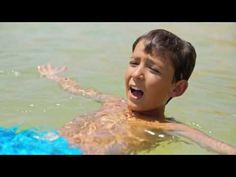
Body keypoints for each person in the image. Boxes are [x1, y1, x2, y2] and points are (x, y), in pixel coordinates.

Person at [37, 29, 236, 154]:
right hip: (40, 142)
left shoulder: (164, 127)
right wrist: (55, 77)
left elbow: (215, 145)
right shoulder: (113, 102)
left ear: (177, 88)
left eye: (153, 69)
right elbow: (79, 90)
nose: (138, 73)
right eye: (134, 63)